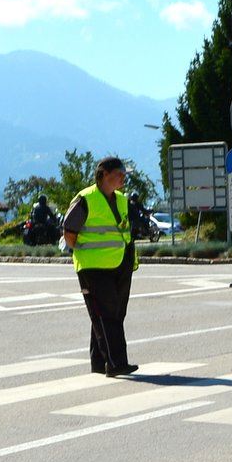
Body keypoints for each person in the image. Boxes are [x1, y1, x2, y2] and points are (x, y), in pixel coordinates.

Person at [62, 157, 139, 377]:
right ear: (104, 174)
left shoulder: (122, 199)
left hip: (120, 264)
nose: (124, 177)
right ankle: (116, 363)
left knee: (112, 314)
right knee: (106, 314)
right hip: (93, 267)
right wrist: (84, 252)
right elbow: (69, 232)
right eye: (120, 173)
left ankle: (99, 362)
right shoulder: (86, 198)